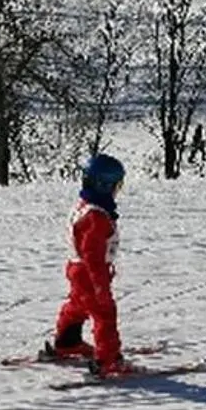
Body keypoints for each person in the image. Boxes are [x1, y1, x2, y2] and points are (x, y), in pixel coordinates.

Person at [43, 154, 134, 378]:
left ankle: (67, 340)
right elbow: (93, 256)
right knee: (104, 314)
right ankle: (108, 360)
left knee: (78, 305)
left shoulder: (85, 206)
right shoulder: (96, 217)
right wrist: (100, 286)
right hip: (89, 273)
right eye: (116, 186)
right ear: (104, 185)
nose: (116, 191)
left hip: (77, 269)